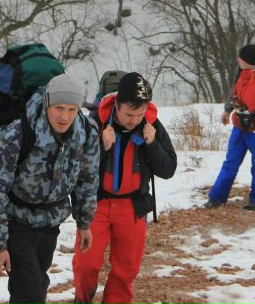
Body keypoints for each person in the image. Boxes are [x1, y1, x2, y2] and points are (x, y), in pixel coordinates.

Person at [0, 73, 100, 304]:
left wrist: (84, 222)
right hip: (16, 220)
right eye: (59, 108)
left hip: (50, 221)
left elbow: (88, 178)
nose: (65, 117)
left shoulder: (86, 133)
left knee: (37, 284)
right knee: (31, 293)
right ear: (47, 103)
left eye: (71, 109)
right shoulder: (16, 134)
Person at [73, 72, 177, 304]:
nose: (134, 120)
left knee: (126, 269)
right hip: (96, 204)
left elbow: (168, 169)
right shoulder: (94, 123)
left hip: (133, 206)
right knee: (86, 265)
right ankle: (82, 300)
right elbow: (75, 169)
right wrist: (102, 146)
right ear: (116, 105)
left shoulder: (152, 124)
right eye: (129, 114)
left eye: (139, 114)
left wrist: (152, 144)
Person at [205, 44, 255, 211]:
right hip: (240, 127)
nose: (238, 59)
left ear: (249, 61)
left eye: (241, 58)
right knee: (230, 163)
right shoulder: (240, 72)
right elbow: (234, 91)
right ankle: (217, 198)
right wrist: (227, 109)